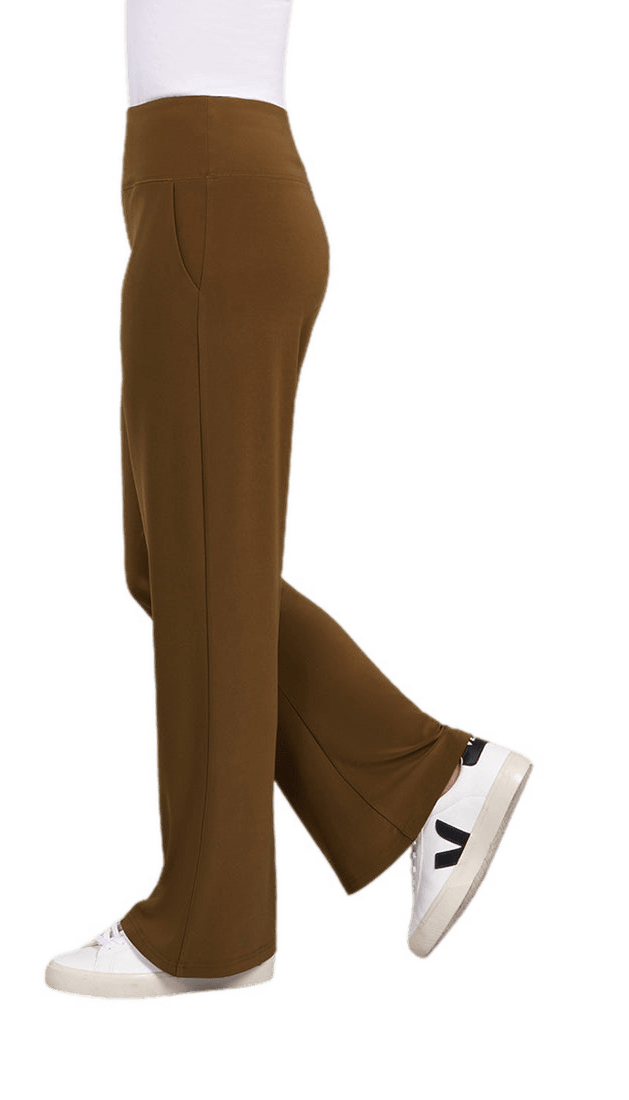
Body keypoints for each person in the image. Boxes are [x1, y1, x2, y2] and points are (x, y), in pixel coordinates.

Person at [42, 0, 535, 1004]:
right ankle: (423, 779)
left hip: (208, 191)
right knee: (171, 564)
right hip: (199, 190)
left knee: (203, 571)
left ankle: (213, 926)